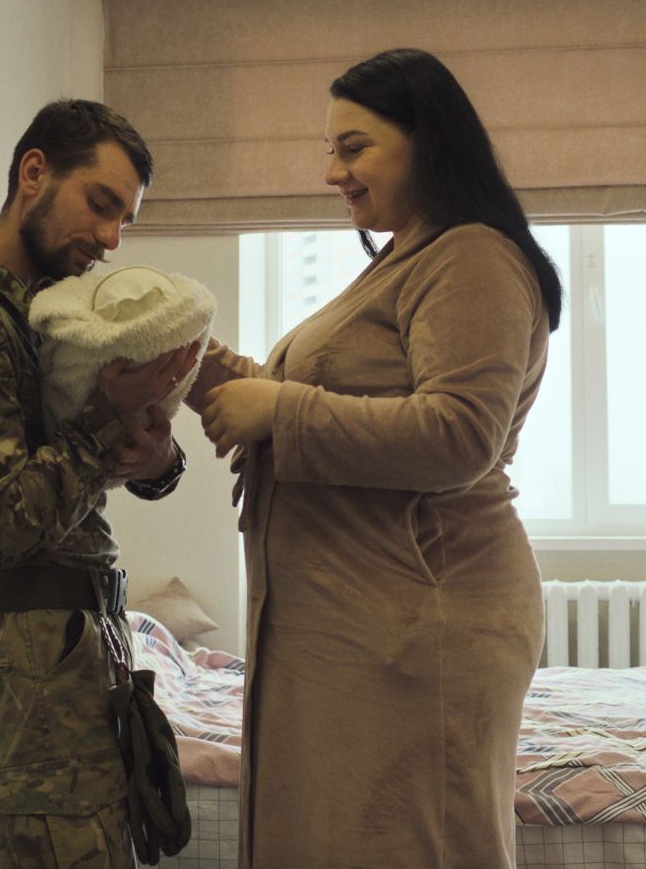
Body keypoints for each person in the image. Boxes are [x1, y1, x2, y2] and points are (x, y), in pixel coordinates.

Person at [191, 49, 563, 868]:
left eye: (353, 148)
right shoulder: (404, 260)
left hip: (419, 620)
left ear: (427, 140)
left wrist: (278, 409)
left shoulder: (470, 257)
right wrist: (184, 360)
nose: (333, 173)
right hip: (358, 622)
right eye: (329, 151)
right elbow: (305, 398)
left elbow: (458, 434)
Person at [0, 98, 197, 868]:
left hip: (75, 648)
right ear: (34, 172)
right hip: (30, 673)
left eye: (124, 218)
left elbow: (86, 471)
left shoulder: (50, 314)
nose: (111, 237)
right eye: (100, 204)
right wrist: (104, 420)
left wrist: (155, 457)